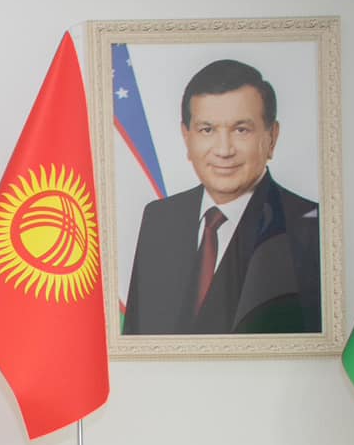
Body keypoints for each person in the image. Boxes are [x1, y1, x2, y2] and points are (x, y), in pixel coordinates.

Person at [122, 59, 321, 336]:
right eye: (207, 130)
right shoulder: (159, 219)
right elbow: (137, 337)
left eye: (241, 130)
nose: (224, 150)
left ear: (272, 137)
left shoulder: (309, 227)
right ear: (187, 137)